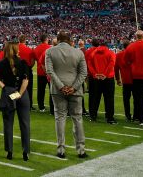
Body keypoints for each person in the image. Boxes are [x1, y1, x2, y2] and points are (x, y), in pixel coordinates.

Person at [45, 30, 87, 159]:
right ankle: (81, 150)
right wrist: (73, 88)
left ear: (57, 39)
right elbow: (83, 73)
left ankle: (61, 150)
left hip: (58, 90)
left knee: (60, 118)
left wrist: (61, 86)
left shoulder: (50, 51)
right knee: (77, 119)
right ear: (70, 40)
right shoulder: (78, 52)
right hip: (75, 90)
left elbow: (49, 71)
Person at [0, 41, 31, 161]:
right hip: (22, 94)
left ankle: (9, 152)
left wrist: (6, 89)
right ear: (16, 50)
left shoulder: (1, 63)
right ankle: (25, 152)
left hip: (8, 93)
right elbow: (25, 80)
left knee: (8, 123)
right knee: (25, 124)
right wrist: (19, 94)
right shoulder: (23, 62)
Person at [89, 38, 117, 124]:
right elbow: (111, 64)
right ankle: (109, 118)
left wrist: (95, 74)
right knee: (109, 99)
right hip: (108, 78)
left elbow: (89, 64)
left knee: (95, 98)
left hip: (96, 78)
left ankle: (93, 116)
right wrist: (105, 74)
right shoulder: (111, 53)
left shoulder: (93, 53)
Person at [115, 40, 133, 121]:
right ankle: (137, 115)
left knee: (126, 99)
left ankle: (127, 115)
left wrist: (118, 79)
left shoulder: (119, 55)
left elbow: (116, 68)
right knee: (137, 98)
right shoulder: (134, 54)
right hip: (135, 79)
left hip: (125, 80)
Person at [34, 34, 52, 112]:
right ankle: (52, 107)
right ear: (46, 39)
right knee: (52, 90)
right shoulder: (50, 48)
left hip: (40, 72)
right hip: (49, 72)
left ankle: (41, 107)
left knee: (41, 90)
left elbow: (35, 59)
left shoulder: (36, 48)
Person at [18, 35, 35, 110]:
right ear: (25, 40)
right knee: (28, 88)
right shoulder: (29, 50)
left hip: (17, 70)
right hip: (27, 70)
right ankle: (29, 105)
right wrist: (29, 68)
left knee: (17, 87)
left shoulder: (15, 48)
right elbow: (32, 62)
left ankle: (16, 103)